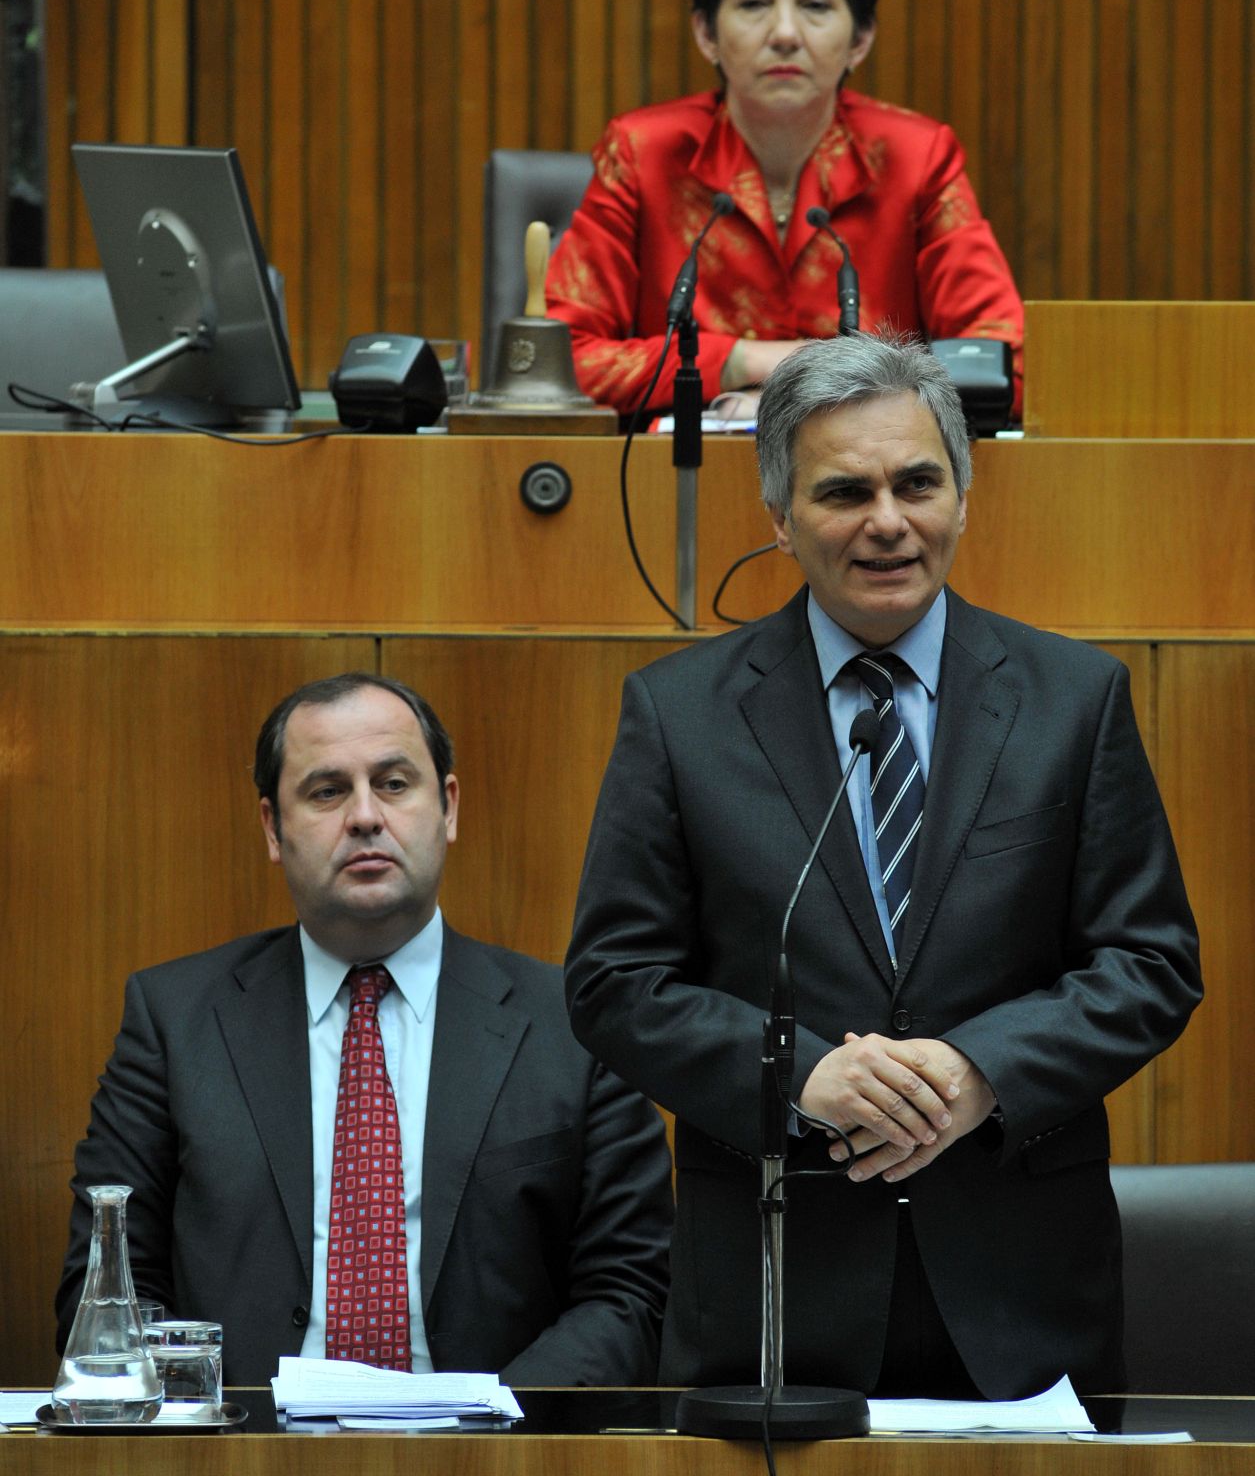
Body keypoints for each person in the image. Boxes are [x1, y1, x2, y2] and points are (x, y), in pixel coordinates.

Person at [565, 332, 1201, 1400]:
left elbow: (1148, 963)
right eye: (843, 491)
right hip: (772, 1297)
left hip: (1020, 1298)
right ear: (777, 517)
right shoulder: (679, 716)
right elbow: (612, 982)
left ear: (963, 491)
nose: (888, 521)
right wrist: (798, 1074)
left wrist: (977, 1070)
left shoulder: (1071, 700)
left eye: (917, 481)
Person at [58, 673, 672, 1387]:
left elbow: (632, 1292)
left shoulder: (574, 1024)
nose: (364, 816)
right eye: (326, 791)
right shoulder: (173, 1020)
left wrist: (489, 1430)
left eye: (393, 783)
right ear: (271, 828)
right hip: (240, 1471)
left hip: (499, 1471)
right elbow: (107, 1290)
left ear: (446, 807)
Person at [546, 0, 1023, 422]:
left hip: (868, 487)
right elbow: (559, 364)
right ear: (706, 32)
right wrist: (744, 361)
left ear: (860, 37)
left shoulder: (918, 160)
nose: (785, 32)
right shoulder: (640, 154)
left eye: (815, 4)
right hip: (678, 484)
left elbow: (1003, 361)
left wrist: (802, 395)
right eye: (754, 3)